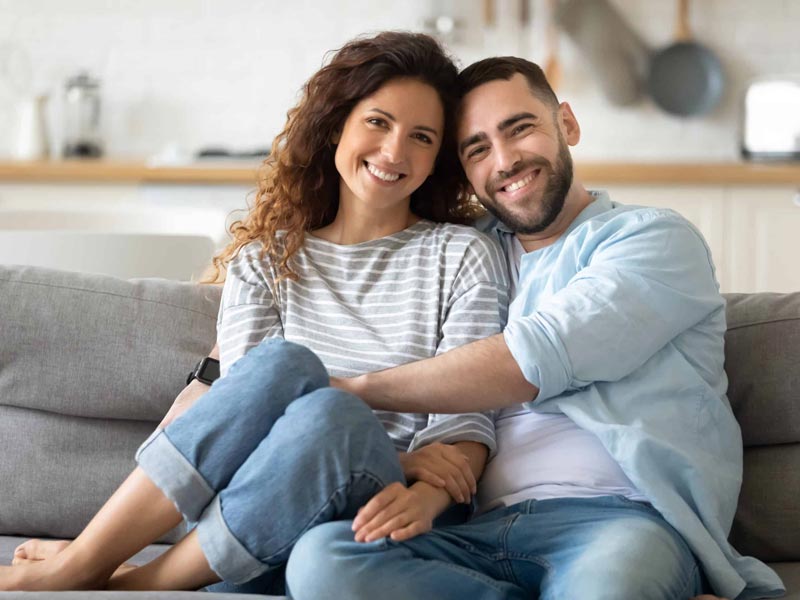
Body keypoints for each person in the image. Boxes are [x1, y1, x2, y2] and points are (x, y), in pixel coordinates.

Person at [0, 32, 509, 593]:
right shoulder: (264, 261)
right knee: (284, 367)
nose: (394, 152)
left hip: (388, 508)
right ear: (337, 123)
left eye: (421, 137)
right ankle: (90, 564)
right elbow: (246, 416)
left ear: (437, 158)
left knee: (331, 414)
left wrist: (411, 473)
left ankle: (122, 582)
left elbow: (465, 420)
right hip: (257, 498)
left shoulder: (462, 255)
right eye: (378, 122)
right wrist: (402, 452)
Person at [285, 58, 786, 600]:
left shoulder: (652, 240)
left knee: (605, 589)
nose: (505, 161)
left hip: (618, 523)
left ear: (566, 125)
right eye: (477, 149)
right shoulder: (464, 254)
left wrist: (357, 390)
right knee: (322, 562)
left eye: (520, 128)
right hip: (472, 531)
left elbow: (533, 357)